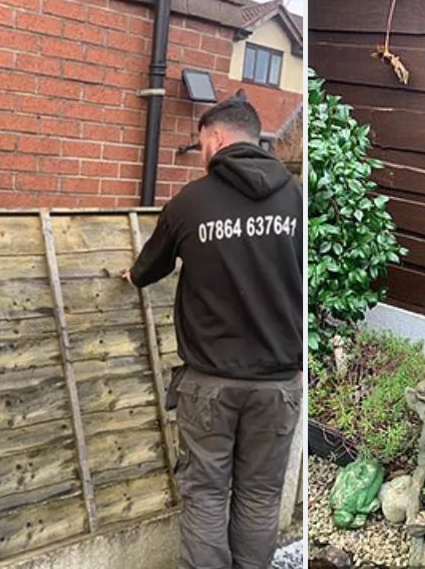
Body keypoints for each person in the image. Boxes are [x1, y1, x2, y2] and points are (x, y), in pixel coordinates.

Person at [123, 98, 302, 569]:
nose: (202, 152)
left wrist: (129, 275)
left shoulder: (190, 204)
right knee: (261, 496)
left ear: (217, 138)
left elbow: (146, 271)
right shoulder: (298, 200)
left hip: (209, 386)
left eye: (202, 143)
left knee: (205, 495)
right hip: (278, 384)